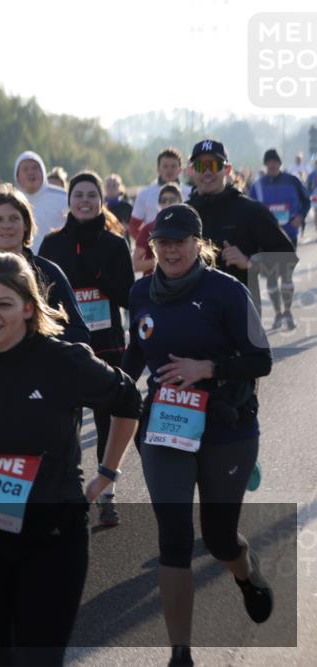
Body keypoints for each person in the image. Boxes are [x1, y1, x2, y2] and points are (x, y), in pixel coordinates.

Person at [0, 252, 140, 667]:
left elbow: (128, 401)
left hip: (52, 535)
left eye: (4, 304)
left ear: (28, 307)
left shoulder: (63, 361)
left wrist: (106, 474)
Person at [118, 204, 274, 667]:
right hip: (165, 427)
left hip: (227, 426)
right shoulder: (140, 293)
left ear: (197, 243)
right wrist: (111, 387)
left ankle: (245, 574)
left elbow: (261, 359)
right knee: (174, 538)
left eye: (179, 242)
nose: (170, 251)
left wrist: (206, 368)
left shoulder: (226, 290)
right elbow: (136, 353)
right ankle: (180, 653)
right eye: (162, 243)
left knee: (220, 538)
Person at [39, 171, 134, 527]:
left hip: (108, 343)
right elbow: (41, 296)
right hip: (65, 347)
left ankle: (107, 493)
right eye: (78, 195)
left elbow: (128, 296)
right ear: (69, 201)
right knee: (66, 424)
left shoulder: (115, 243)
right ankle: (67, 492)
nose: (85, 201)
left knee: (108, 419)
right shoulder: (52, 244)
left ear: (101, 201)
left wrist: (101, 280)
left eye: (91, 195)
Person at [185, 139, 297, 321]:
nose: (207, 171)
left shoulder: (250, 210)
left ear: (227, 169)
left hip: (241, 317)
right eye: (200, 165)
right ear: (191, 171)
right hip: (193, 317)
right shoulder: (183, 214)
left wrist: (250, 262)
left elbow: (286, 255)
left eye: (214, 165)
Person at [0, 186, 90, 345]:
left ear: (26, 224)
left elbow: (79, 333)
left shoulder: (49, 273)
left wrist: (35, 340)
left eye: (14, 218)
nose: (6, 225)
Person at [249, 148, 310, 329]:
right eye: (269, 162)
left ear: (280, 163)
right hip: (267, 239)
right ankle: (277, 314)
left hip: (289, 236)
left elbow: (306, 201)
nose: (272, 164)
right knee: (271, 279)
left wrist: (300, 216)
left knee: (286, 276)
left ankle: (288, 312)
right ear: (265, 164)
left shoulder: (292, 181)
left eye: (275, 161)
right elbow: (249, 210)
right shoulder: (257, 186)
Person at [129, 147, 192, 240]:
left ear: (180, 169)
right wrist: (148, 244)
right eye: (165, 166)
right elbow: (133, 228)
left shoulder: (190, 193)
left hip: (183, 245)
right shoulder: (145, 194)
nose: (169, 170)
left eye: (173, 166)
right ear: (158, 169)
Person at [13, 150, 68, 249]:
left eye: (35, 168)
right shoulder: (11, 201)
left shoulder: (63, 197)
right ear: (17, 176)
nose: (31, 172)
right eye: (25, 169)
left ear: (43, 171)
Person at [133, 183, 184, 276]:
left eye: (172, 200)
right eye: (163, 200)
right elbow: (136, 265)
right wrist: (163, 259)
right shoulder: (149, 229)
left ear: (181, 202)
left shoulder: (188, 227)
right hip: (154, 281)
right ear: (158, 204)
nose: (167, 204)